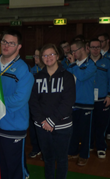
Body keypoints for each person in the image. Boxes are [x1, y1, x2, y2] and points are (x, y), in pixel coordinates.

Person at [29, 43, 76, 179]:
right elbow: (33, 102)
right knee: (48, 159)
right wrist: (43, 121)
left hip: (62, 126)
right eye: (45, 55)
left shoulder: (67, 77)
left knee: (61, 159)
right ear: (41, 58)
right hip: (42, 126)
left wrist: (51, 121)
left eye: (51, 54)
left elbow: (68, 102)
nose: (48, 57)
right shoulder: (36, 78)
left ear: (57, 56)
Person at [0, 29, 34, 179]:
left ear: (19, 46)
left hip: (13, 126)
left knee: (14, 167)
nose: (6, 46)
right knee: (0, 165)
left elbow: (20, 99)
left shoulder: (23, 69)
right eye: (4, 42)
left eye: (11, 43)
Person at [67, 40, 96, 166]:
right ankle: (72, 152)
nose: (73, 53)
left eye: (74, 51)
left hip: (85, 104)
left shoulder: (92, 65)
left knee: (85, 132)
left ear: (84, 49)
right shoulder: (71, 65)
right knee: (73, 131)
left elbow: (82, 76)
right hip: (72, 103)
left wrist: (73, 64)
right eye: (71, 51)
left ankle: (84, 155)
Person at [89, 39, 110, 159]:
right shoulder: (85, 63)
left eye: (97, 47)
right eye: (93, 47)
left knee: (101, 125)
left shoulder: (108, 63)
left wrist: (109, 95)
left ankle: (101, 147)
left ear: (101, 48)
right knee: (89, 125)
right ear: (88, 48)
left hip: (103, 100)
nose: (95, 49)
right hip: (87, 100)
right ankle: (88, 145)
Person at [29, 47, 44, 158]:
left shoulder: (49, 71)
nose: (35, 58)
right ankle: (36, 148)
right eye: (34, 56)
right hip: (34, 104)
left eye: (38, 56)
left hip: (45, 105)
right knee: (33, 127)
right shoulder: (32, 70)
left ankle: (45, 150)